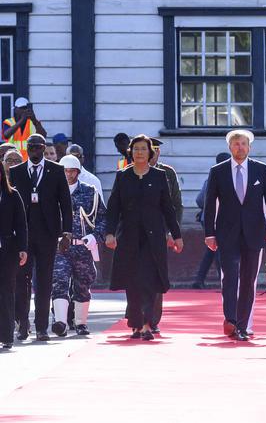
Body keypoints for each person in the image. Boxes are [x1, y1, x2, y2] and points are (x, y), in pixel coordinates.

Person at [203, 129, 266, 341]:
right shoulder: (218, 171)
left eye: (244, 144)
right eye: (236, 144)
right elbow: (210, 204)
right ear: (230, 148)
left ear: (249, 147)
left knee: (248, 279)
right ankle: (231, 320)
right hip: (226, 233)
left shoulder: (261, 170)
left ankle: (243, 326)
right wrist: (209, 233)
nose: (240, 147)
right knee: (229, 277)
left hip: (254, 233)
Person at [104, 134, 183, 340]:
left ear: (151, 153)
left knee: (149, 280)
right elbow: (113, 207)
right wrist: (110, 233)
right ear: (131, 152)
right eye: (136, 149)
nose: (139, 152)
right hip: (129, 237)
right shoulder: (123, 176)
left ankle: (148, 324)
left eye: (143, 149)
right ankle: (136, 324)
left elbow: (168, 208)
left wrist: (176, 235)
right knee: (133, 281)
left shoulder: (158, 176)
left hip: (153, 238)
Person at [9, 133, 72, 341]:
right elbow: (10, 206)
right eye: (31, 147)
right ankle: (23, 325)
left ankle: (42, 327)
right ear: (27, 149)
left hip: (47, 234)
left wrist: (66, 232)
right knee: (21, 280)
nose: (35, 151)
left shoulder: (56, 171)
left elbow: (65, 203)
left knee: (44, 281)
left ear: (44, 149)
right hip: (23, 235)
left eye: (38, 148)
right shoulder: (16, 172)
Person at [50, 154, 106, 338]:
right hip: (60, 247)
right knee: (59, 281)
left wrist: (95, 236)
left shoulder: (89, 192)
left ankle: (81, 323)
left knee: (83, 284)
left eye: (72, 171)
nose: (68, 174)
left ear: (78, 172)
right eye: (64, 171)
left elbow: (103, 218)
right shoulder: (52, 192)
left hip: (83, 246)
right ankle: (61, 322)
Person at [148, 137, 183, 333]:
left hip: (161, 231)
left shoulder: (167, 173)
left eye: (153, 150)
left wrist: (172, 231)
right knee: (135, 275)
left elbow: (176, 205)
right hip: (136, 231)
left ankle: (153, 319)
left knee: (156, 275)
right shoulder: (128, 172)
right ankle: (135, 315)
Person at [0, 150, 28, 351]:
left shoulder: (12, 194)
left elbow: (22, 224)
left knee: (6, 292)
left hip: (7, 251)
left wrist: (22, 248)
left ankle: (7, 335)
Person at [191, 152, 229, 288]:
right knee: (219, 249)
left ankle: (199, 279)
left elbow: (199, 199)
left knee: (212, 250)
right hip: (220, 219)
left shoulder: (211, 177)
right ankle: (223, 280)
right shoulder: (227, 177)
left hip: (206, 218)